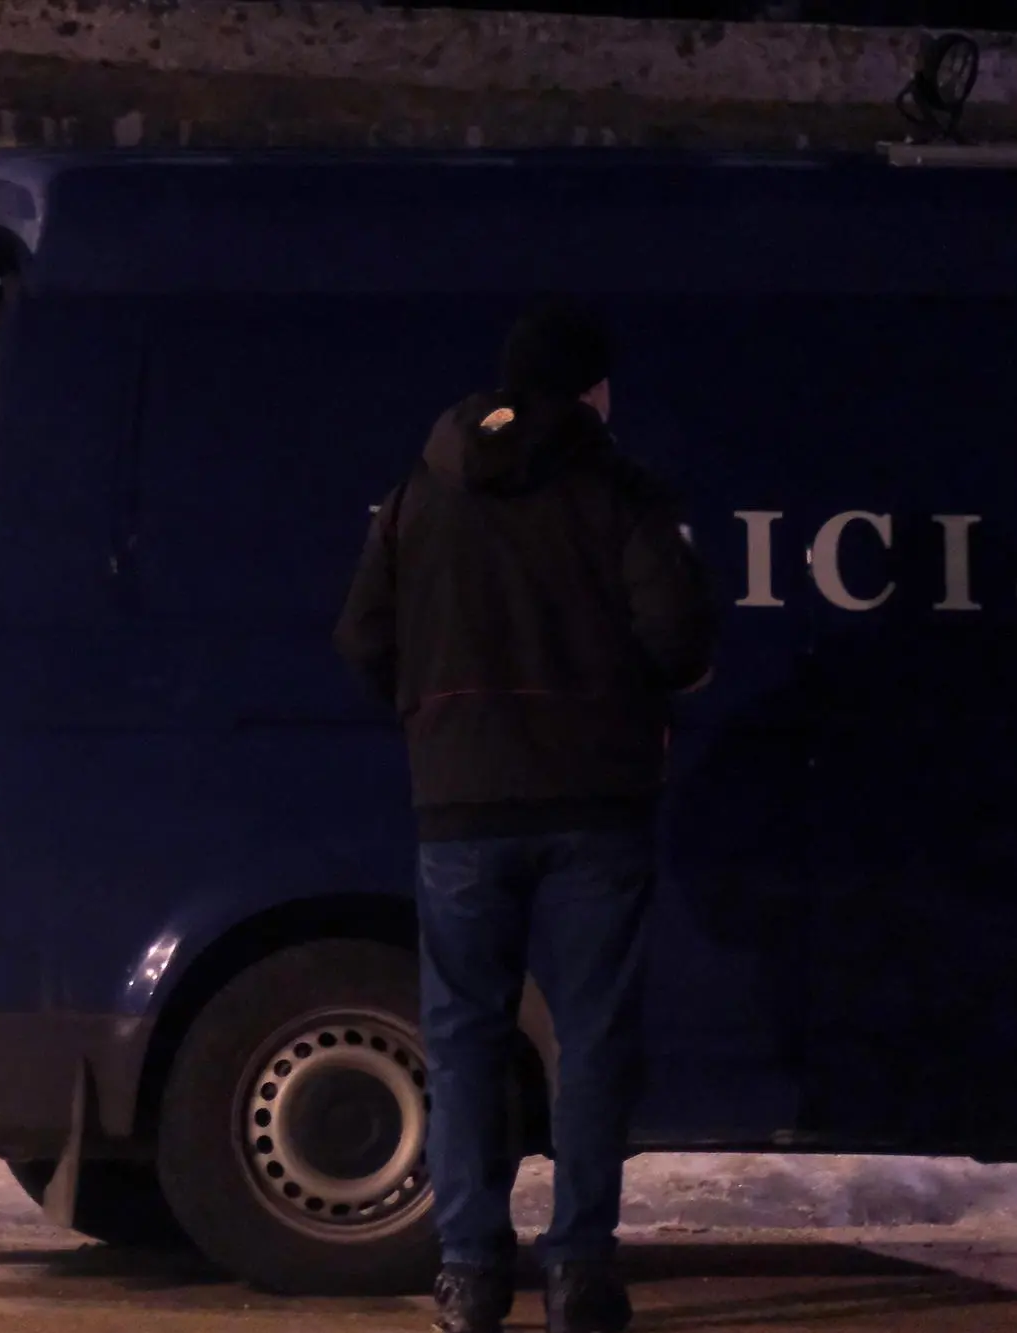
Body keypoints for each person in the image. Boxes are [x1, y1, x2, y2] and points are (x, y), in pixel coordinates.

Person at [334, 300, 716, 1333]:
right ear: (589, 389)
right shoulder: (617, 491)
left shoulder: (422, 492)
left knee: (462, 1037)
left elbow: (362, 635)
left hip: (459, 802)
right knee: (590, 1034)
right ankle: (580, 1270)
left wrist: (435, 715)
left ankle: (466, 1270)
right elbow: (676, 635)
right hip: (595, 801)